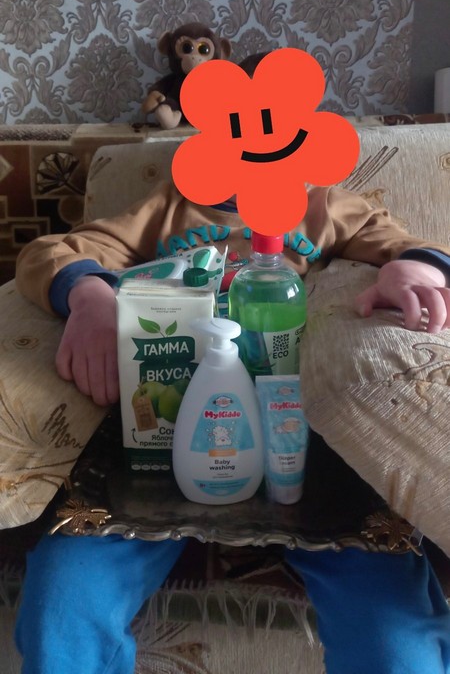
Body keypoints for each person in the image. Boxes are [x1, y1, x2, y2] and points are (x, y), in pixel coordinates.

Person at [14, 67, 450, 673]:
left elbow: (409, 247)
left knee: (395, 641)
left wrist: (412, 270)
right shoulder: (170, 208)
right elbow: (50, 251)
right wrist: (88, 296)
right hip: (164, 438)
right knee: (62, 609)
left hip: (300, 446)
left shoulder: (324, 206)